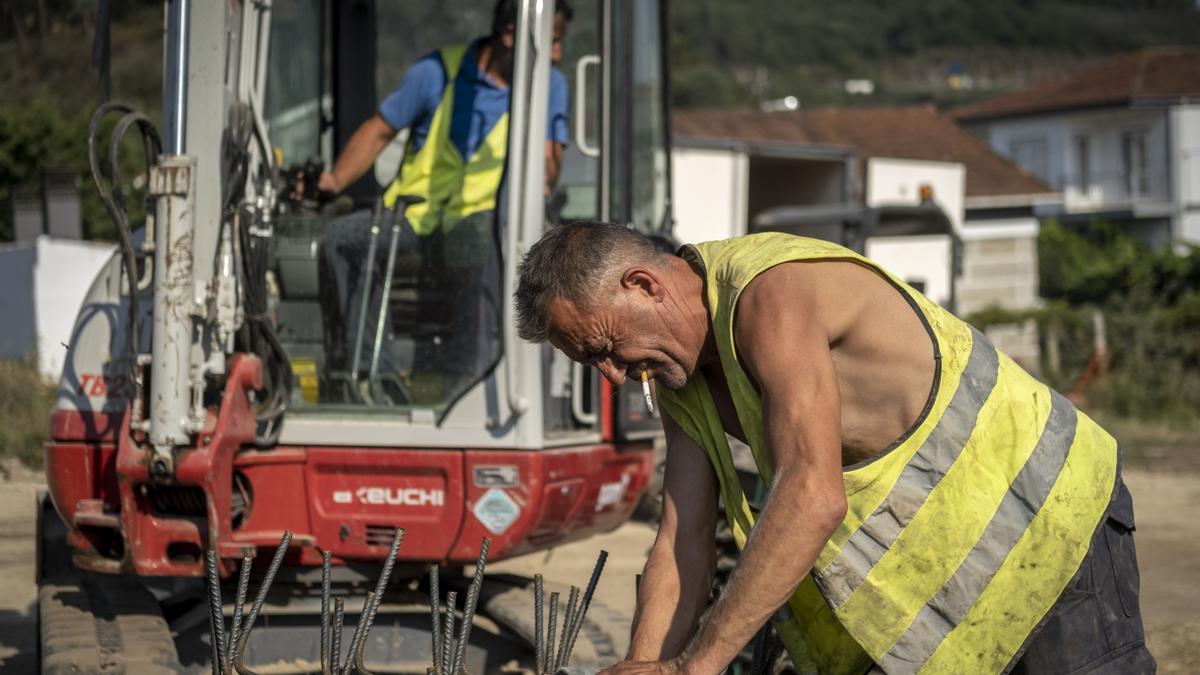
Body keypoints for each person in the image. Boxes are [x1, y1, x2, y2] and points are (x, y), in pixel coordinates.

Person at [513, 223, 1155, 674]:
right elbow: (680, 547)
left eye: (603, 347)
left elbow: (812, 495)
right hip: (957, 582)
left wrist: (693, 667)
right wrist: (644, 666)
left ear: (644, 285)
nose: (612, 374)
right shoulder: (681, 385)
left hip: (1046, 520)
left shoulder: (772, 292)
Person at [317, 0, 571, 402]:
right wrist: (333, 181)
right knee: (342, 239)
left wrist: (542, 127)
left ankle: (465, 385)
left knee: (476, 246)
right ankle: (373, 379)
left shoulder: (548, 84)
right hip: (414, 216)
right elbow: (380, 131)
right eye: (552, 41)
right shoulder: (436, 73)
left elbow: (548, 171)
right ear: (512, 34)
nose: (556, 54)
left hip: (482, 221)